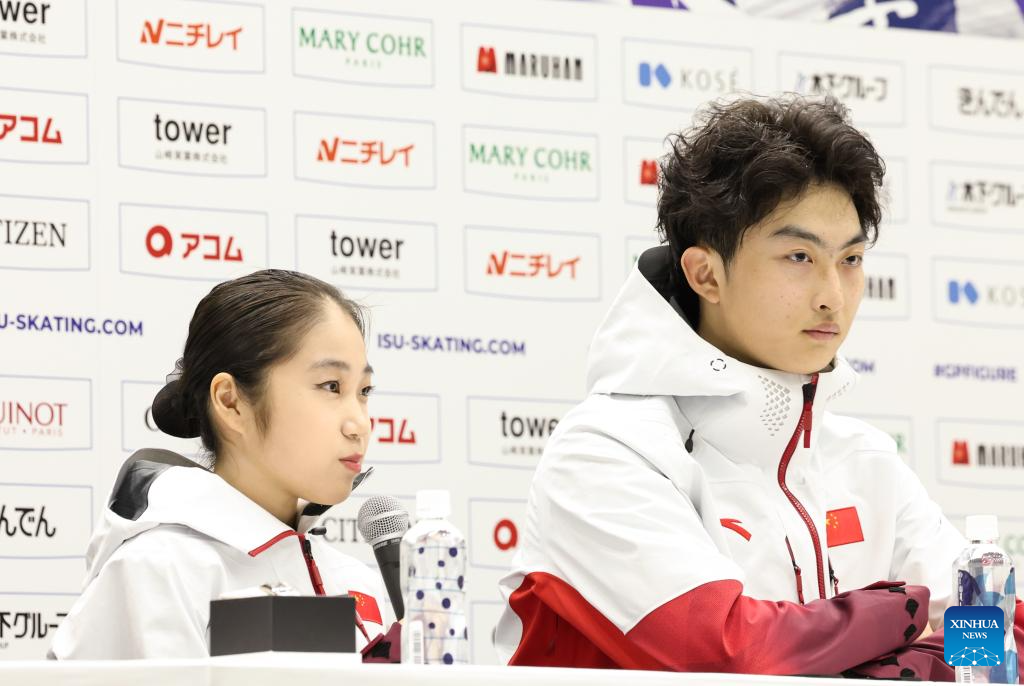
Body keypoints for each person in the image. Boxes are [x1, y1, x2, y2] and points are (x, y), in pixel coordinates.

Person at [494, 95, 1023, 679]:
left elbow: (1005, 631)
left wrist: (896, 665)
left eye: (850, 259)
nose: (833, 296)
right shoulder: (606, 451)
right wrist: (899, 621)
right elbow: (726, 652)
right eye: (799, 256)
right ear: (706, 274)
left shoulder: (866, 459)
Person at [50, 270, 388, 659]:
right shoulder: (160, 570)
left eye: (364, 391)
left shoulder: (355, 580)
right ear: (231, 402)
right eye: (331, 387)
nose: (360, 424)